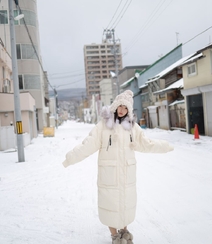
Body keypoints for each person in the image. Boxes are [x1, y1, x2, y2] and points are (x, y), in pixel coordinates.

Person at [62, 90, 174, 244]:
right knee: (110, 206)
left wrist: (165, 146)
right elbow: (87, 145)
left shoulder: (132, 127)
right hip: (109, 176)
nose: (122, 110)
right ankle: (115, 235)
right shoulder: (103, 126)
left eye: (125, 108)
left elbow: (146, 143)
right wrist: (70, 158)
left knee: (126, 206)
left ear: (129, 110)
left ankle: (124, 231)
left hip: (127, 175)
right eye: (120, 106)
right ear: (115, 106)